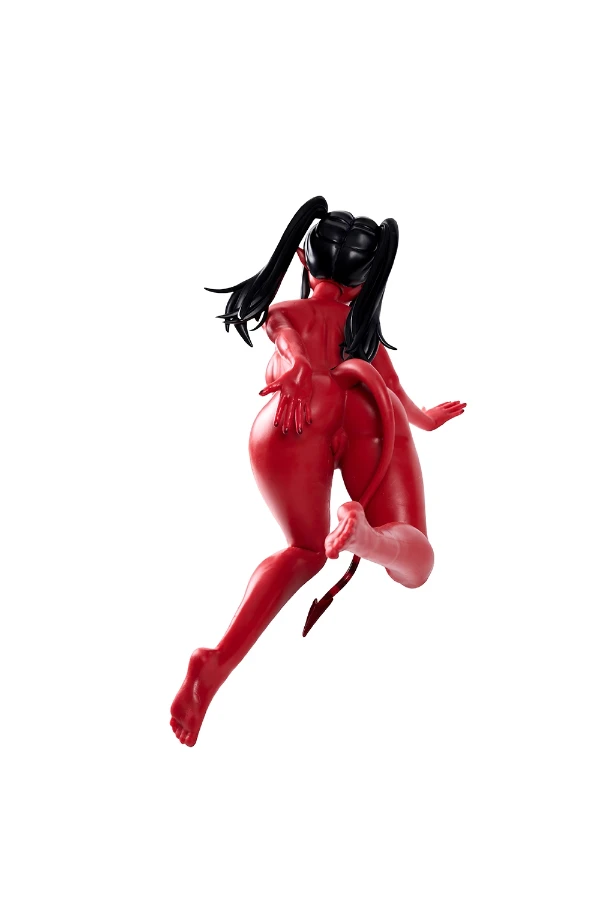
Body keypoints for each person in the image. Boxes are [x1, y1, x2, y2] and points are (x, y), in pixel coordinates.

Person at [170, 196, 466, 746]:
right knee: (416, 559)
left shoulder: (287, 312)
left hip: (293, 416)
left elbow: (284, 343)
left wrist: (299, 370)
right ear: (366, 280)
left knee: (304, 551)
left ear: (303, 258)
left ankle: (216, 662)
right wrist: (427, 420)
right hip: (367, 406)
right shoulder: (362, 334)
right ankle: (370, 540)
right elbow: (395, 394)